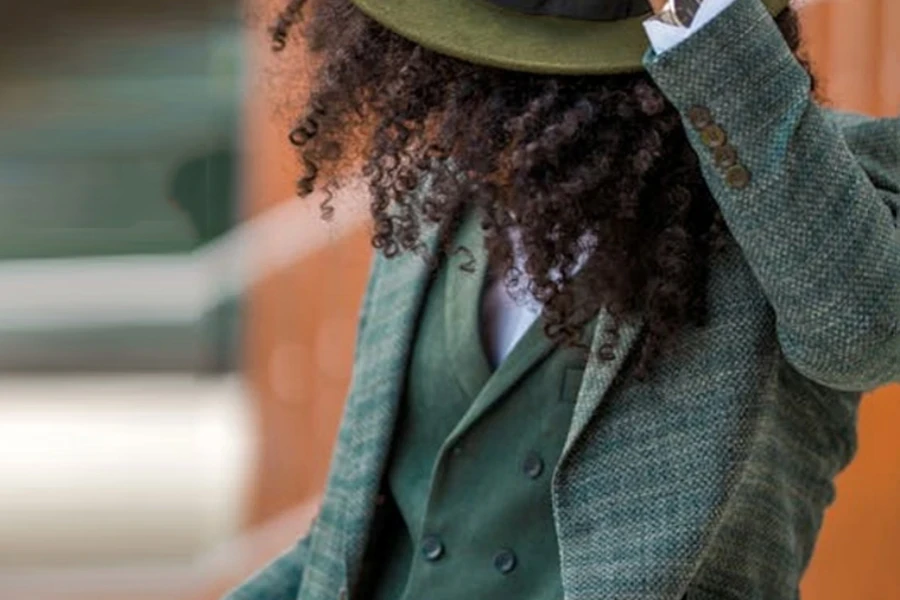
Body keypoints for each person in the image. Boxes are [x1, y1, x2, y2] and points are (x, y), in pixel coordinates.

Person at [227, 0, 900, 598]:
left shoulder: (807, 183)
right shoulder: (428, 202)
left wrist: (702, 18)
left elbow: (866, 333)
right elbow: (347, 545)